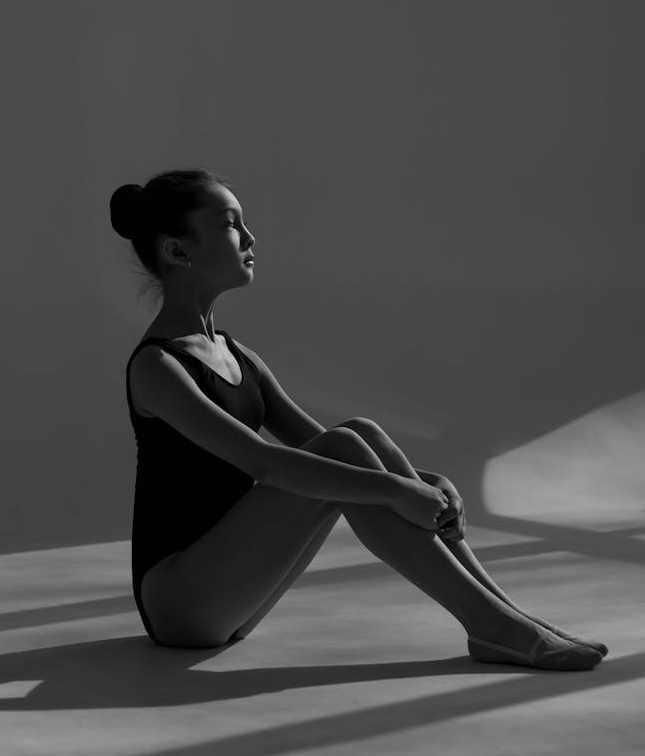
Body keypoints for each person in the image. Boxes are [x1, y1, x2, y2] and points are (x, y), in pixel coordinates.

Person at [110, 168, 606, 668]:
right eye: (229, 224)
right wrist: (397, 490)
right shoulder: (158, 366)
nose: (251, 237)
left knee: (360, 433)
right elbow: (268, 465)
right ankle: (496, 627)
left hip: (235, 592)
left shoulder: (239, 356)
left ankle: (506, 616)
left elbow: (338, 451)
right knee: (347, 449)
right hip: (181, 603)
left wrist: (425, 482)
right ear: (178, 251)